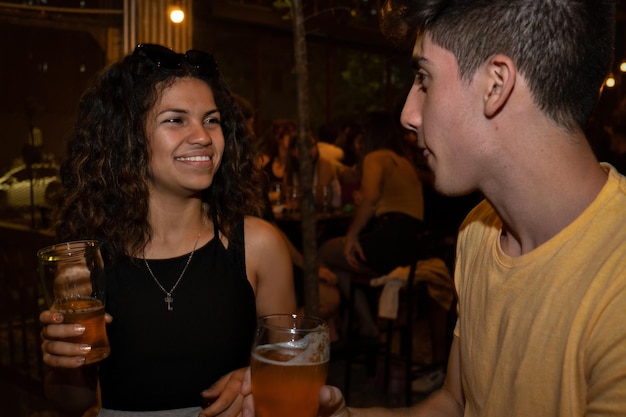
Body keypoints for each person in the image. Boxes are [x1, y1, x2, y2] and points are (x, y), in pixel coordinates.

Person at [242, 0, 626, 416]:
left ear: (496, 84)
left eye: (424, 79)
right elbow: (453, 404)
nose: (408, 114)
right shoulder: (478, 232)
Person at [39, 43, 296, 417]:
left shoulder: (257, 246)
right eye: (176, 120)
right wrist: (65, 368)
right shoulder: (86, 263)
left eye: (211, 119)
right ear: (126, 138)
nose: (204, 137)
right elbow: (73, 405)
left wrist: (258, 378)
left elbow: (292, 373)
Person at [319, 110, 425, 339]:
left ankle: (346, 325)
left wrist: (351, 236)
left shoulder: (376, 157)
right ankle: (364, 324)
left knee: (326, 251)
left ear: (369, 135)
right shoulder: (403, 161)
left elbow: (368, 199)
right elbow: (352, 179)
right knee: (343, 261)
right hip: (412, 244)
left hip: (390, 240)